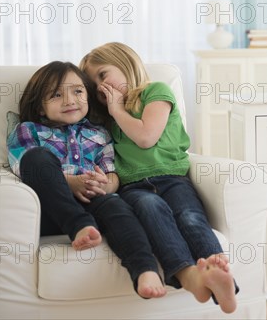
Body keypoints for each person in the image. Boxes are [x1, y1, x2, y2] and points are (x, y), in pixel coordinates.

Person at [80, 43, 238, 313]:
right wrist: (107, 183)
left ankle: (218, 272)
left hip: (172, 178)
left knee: (189, 216)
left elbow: (145, 137)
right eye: (95, 85)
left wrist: (118, 110)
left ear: (126, 63)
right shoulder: (106, 120)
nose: (101, 88)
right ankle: (192, 277)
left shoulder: (156, 92)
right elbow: (115, 167)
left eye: (103, 75)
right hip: (133, 187)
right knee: (151, 208)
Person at [7, 61, 166, 299]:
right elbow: (24, 167)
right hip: (51, 208)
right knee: (36, 157)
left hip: (94, 200)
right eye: (56, 94)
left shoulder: (99, 133)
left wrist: (107, 183)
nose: (70, 100)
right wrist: (70, 182)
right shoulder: (28, 130)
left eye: (78, 91)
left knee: (118, 207)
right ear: (40, 107)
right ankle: (78, 226)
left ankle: (145, 270)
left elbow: (111, 171)